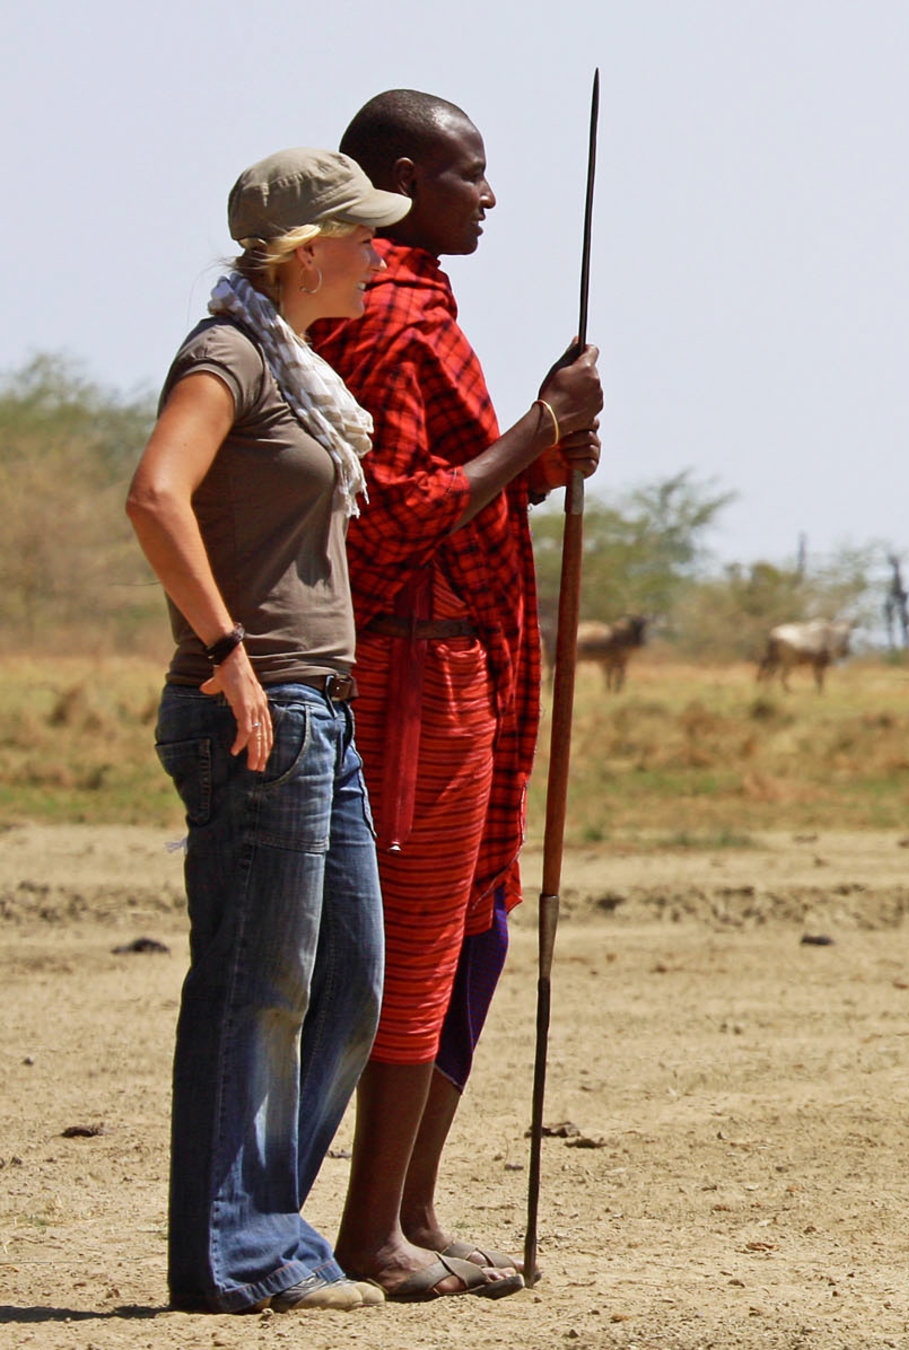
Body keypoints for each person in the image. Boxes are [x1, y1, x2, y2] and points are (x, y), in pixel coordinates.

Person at [310, 89, 603, 1301]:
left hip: (467, 662)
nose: (488, 195)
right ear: (398, 177)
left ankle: (412, 1207)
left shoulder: (422, 304)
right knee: (423, 936)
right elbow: (393, 517)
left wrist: (541, 456)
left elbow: (456, 485)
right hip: (412, 672)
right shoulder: (381, 311)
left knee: (473, 926)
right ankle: (368, 1229)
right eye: (466, 173)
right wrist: (538, 427)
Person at [125, 148, 412, 1314]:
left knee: (349, 978)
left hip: (315, 712)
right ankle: (238, 1252)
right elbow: (156, 494)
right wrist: (229, 651)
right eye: (363, 235)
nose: (379, 254)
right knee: (261, 980)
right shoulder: (229, 355)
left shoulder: (297, 368)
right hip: (258, 707)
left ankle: (261, 1226)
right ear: (307, 251)